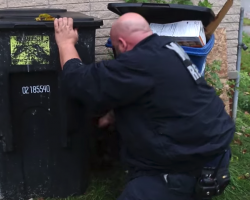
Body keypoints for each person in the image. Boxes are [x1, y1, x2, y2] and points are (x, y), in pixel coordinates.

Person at [54, 13, 235, 200]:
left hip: (184, 166)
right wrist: (114, 114)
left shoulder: (139, 61)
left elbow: (79, 82)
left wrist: (65, 43)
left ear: (123, 44)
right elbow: (156, 94)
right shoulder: (167, 48)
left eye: (116, 49)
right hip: (212, 151)